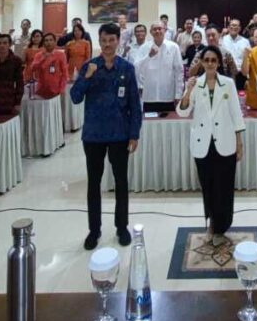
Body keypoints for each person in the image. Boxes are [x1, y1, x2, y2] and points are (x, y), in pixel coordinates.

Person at [69, 23, 142, 249]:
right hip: (93, 135)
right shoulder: (89, 66)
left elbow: (134, 105)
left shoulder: (127, 68)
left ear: (118, 41)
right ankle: (94, 230)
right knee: (94, 183)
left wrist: (134, 134)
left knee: (121, 182)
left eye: (111, 40)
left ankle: (122, 227)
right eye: (104, 40)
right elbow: (75, 97)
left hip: (120, 134)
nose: (108, 44)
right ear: (99, 42)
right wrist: (86, 77)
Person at [178, 46, 246, 244]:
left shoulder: (228, 84)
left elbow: (236, 114)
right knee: (208, 186)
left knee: (224, 186)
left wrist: (239, 143)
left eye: (213, 60)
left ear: (218, 63)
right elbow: (183, 111)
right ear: (201, 62)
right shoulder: (195, 84)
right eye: (206, 60)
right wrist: (188, 91)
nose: (209, 63)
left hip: (225, 141)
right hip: (203, 144)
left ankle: (223, 223)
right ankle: (212, 223)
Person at [136, 22, 184, 103]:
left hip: (168, 96)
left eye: (159, 29)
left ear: (165, 30)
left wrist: (178, 94)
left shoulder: (173, 47)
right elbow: (137, 68)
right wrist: (149, 56)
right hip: (149, 96)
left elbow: (179, 71)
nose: (157, 31)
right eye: (154, 29)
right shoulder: (144, 48)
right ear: (151, 32)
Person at [29, 32, 69, 99]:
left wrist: (62, 89)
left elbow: (65, 74)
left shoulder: (61, 55)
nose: (48, 42)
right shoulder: (39, 55)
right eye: (46, 40)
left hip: (56, 90)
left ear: (55, 42)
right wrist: (43, 58)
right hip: (41, 90)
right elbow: (33, 68)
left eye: (51, 40)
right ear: (43, 43)